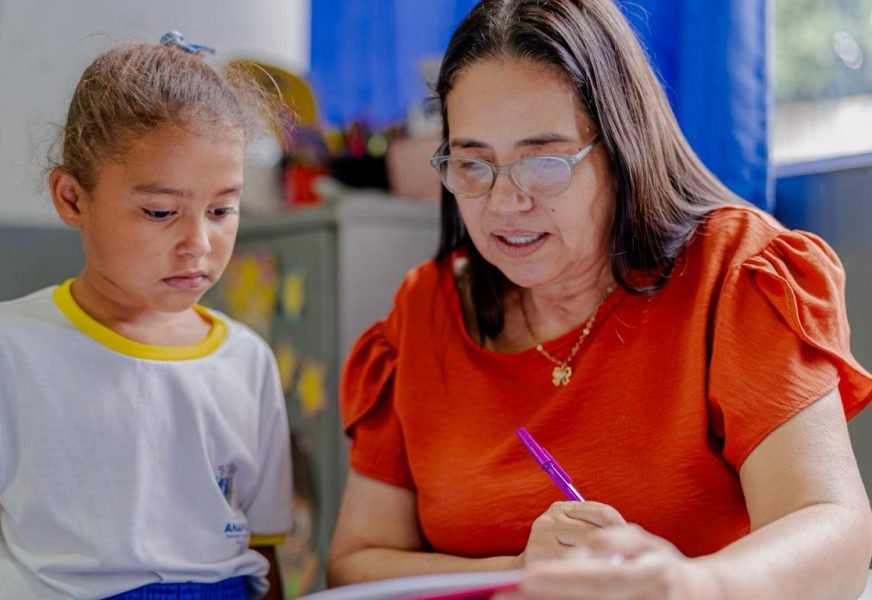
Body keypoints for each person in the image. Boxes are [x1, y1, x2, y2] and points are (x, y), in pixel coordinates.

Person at [326, 1, 872, 598]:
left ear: (620, 147)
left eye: (543, 161)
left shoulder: (734, 272)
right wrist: (520, 571)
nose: (505, 202)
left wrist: (689, 586)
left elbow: (834, 527)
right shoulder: (423, 311)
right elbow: (355, 563)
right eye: (473, 164)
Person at [0, 34, 291, 600]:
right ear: (71, 199)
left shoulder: (247, 362)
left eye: (221, 209)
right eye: (160, 211)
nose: (198, 243)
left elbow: (265, 557)